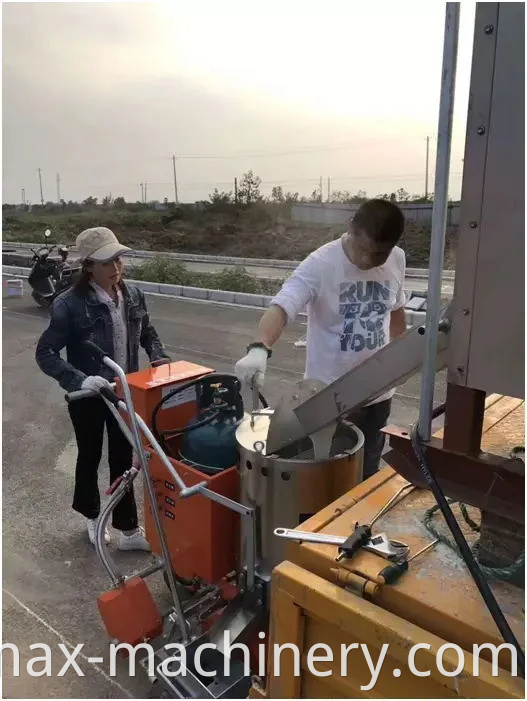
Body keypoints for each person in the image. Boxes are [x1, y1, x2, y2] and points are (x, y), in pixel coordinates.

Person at [235, 199, 407, 480]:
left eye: (379, 255)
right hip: (330, 398)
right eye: (363, 250)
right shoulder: (321, 264)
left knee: (367, 473)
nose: (368, 261)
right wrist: (259, 348)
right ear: (351, 228)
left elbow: (396, 311)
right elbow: (282, 306)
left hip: (378, 395)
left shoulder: (397, 259)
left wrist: (399, 356)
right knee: (327, 480)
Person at [36, 227, 171, 548]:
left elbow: (147, 333)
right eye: (107, 262)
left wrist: (158, 357)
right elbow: (45, 353)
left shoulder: (133, 295)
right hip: (89, 394)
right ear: (88, 266)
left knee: (124, 459)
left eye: (118, 259)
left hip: (125, 392)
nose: (116, 267)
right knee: (90, 454)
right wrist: (80, 379)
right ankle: (93, 517)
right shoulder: (69, 305)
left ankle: (127, 530)